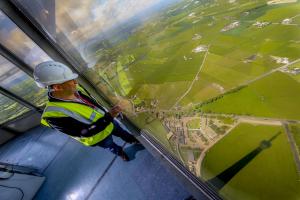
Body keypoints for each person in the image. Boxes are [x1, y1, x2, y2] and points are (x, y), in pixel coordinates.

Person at [33, 61, 140, 161]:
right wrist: (110, 115)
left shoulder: (76, 89)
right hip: (98, 136)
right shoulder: (53, 115)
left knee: (122, 132)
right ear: (57, 87)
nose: (76, 82)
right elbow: (84, 132)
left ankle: (132, 140)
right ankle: (119, 152)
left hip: (109, 121)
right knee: (109, 145)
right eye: (71, 81)